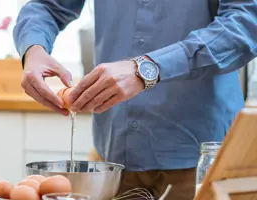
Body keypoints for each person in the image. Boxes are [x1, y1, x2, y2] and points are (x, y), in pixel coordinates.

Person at [13, 0, 257, 199]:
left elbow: (245, 23)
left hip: (202, 162)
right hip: (112, 160)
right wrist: (33, 49)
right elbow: (48, 6)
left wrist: (148, 69)